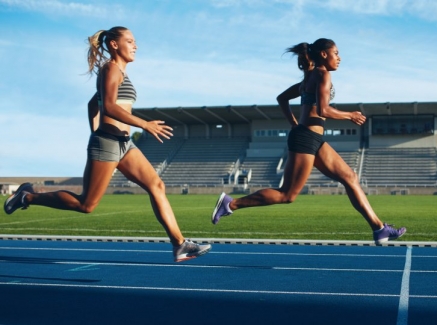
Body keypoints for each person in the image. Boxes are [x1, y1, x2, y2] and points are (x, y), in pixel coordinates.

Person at [4, 26, 211, 262]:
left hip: (123, 145)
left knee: (157, 185)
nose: (136, 46)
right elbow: (109, 107)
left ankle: (179, 244)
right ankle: (28, 197)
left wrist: (97, 130)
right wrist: (141, 126)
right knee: (86, 204)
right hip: (108, 144)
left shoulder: (120, 72)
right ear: (114, 44)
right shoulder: (111, 68)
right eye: (130, 41)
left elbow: (94, 104)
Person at [211, 38, 406, 245]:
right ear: (324, 54)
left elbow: (282, 98)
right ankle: (231, 204)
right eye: (336, 53)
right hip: (305, 139)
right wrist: (350, 115)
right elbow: (323, 110)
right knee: (287, 195)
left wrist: (294, 123)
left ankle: (379, 229)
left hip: (313, 138)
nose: (339, 58)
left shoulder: (310, 77)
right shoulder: (322, 74)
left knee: (350, 176)